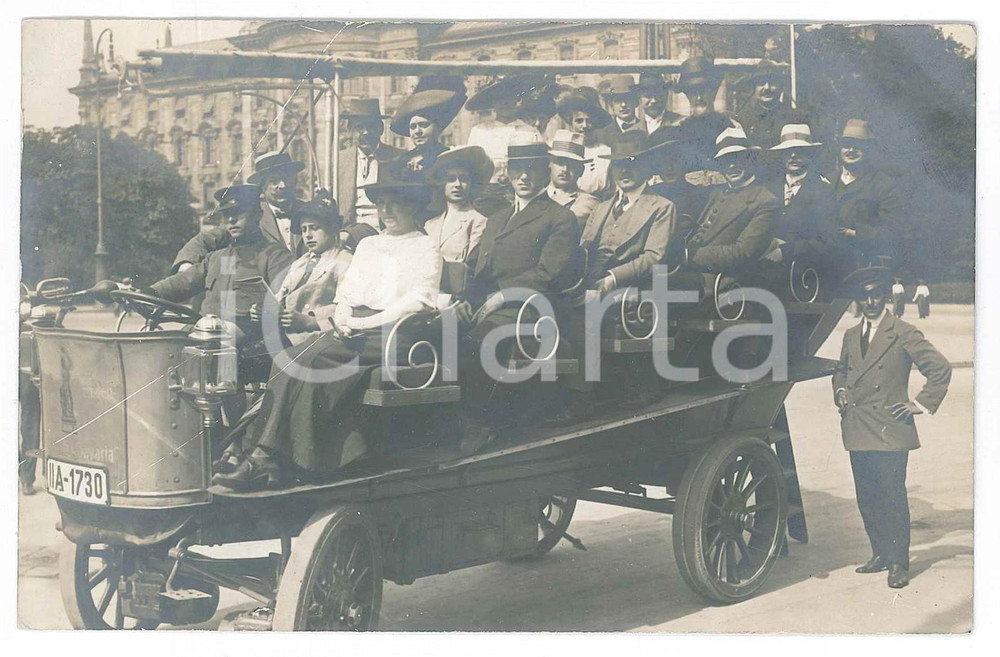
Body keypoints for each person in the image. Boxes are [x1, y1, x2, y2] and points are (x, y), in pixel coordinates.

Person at [215, 171, 442, 491]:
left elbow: (418, 302)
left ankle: (273, 459)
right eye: (382, 204)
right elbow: (346, 295)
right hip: (354, 327)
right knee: (289, 359)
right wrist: (346, 317)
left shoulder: (424, 246)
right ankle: (266, 456)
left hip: (396, 333)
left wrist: (360, 324)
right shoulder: (369, 245)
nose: (387, 211)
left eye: (396, 205)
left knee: (310, 360)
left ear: (414, 209)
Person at [452, 138, 581, 454]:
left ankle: (481, 423)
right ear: (508, 174)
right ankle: (448, 419)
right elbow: (477, 268)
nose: (525, 178)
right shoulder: (497, 218)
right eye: (518, 171)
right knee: (439, 329)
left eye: (533, 171)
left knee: (478, 340)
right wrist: (464, 300)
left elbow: (547, 275)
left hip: (535, 306)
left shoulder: (559, 217)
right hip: (493, 304)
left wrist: (502, 297)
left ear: (545, 173)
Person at [832, 266, 951, 589]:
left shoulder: (903, 331)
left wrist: (922, 403)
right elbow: (841, 371)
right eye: (863, 295)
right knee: (867, 496)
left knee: (892, 497)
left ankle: (899, 562)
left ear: (885, 295)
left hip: (889, 429)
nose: (870, 301)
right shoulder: (850, 335)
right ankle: (880, 553)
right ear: (857, 299)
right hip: (857, 427)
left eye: (875, 294)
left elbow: (939, 368)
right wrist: (840, 390)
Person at [547, 131, 678, 425]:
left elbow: (653, 257)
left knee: (583, 314)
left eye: (632, 163)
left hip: (634, 286)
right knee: (552, 305)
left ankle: (583, 397)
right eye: (619, 164)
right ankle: (555, 390)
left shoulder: (660, 206)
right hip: (594, 278)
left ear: (645, 167)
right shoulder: (603, 207)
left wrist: (611, 279)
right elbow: (584, 249)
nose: (625, 171)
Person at [143, 185, 294, 343]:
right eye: (227, 214)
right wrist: (150, 293)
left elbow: (285, 307)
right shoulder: (216, 258)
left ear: (257, 214)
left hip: (250, 343)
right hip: (206, 334)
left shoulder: (275, 256)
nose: (231, 220)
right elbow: (183, 281)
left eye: (238, 212)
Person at [172, 152, 306, 272]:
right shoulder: (252, 215)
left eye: (287, 178)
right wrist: (186, 263)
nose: (282, 185)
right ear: (262, 186)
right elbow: (206, 239)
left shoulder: (309, 211)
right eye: (274, 180)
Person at [686, 126, 777, 275]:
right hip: (690, 271)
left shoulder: (765, 200)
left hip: (721, 280)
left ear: (749, 160)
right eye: (725, 161)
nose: (732, 166)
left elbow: (743, 253)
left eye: (737, 158)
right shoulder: (715, 192)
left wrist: (688, 255)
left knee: (658, 290)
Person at [266, 200, 354, 346]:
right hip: (286, 333)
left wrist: (310, 320)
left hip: (317, 335)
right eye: (304, 229)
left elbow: (347, 306)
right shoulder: (300, 262)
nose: (308, 235)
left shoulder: (344, 261)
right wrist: (266, 309)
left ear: (332, 229)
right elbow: (283, 295)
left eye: (314, 228)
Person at [423, 145, 493, 304]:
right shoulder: (430, 225)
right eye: (451, 179)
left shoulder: (479, 222)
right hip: (428, 295)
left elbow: (469, 272)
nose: (457, 184)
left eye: (464, 178)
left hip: (457, 300)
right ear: (442, 184)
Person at [832, 119, 904, 269]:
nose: (851, 150)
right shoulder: (828, 180)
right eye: (846, 145)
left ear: (869, 150)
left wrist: (855, 233)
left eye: (858, 147)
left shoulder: (883, 184)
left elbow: (892, 232)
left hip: (864, 266)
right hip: (825, 265)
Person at [763, 123, 837, 268]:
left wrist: (787, 251)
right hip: (765, 264)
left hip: (804, 271)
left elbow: (828, 239)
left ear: (810, 154)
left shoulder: (823, 190)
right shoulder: (769, 188)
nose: (793, 155)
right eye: (788, 151)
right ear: (781, 155)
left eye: (800, 150)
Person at [336, 99, 404, 230]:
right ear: (350, 130)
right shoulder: (339, 160)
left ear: (381, 129)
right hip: (348, 230)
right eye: (360, 127)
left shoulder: (397, 158)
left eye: (371, 126)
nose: (366, 132)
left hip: (385, 230)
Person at [674, 56, 741, 184]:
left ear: (714, 92)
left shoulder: (731, 128)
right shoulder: (679, 131)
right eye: (693, 92)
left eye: (704, 90)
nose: (699, 98)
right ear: (687, 96)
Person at [390, 76, 467, 182]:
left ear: (438, 128)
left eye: (424, 125)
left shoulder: (448, 157)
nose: (417, 131)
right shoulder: (402, 161)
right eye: (413, 127)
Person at [642, 126, 711, 238]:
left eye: (674, 160)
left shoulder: (700, 196)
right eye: (662, 162)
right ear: (655, 165)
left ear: (685, 161)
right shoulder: (648, 197)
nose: (669, 168)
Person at [555, 87, 614, 199]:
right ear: (571, 122)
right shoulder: (563, 151)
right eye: (579, 121)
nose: (585, 126)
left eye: (589, 120)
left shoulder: (606, 151)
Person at [546, 130, 600, 228]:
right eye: (560, 163)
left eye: (572, 165)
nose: (565, 170)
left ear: (581, 170)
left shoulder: (589, 203)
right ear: (549, 165)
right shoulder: (536, 197)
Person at [737, 59, 793, 150]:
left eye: (772, 82)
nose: (767, 88)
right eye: (761, 83)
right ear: (754, 88)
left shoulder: (792, 117)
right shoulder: (743, 120)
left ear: (781, 87)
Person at [597, 74, 645, 144]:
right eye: (618, 100)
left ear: (636, 102)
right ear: (611, 105)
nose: (623, 105)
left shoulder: (645, 129)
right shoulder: (602, 135)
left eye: (627, 99)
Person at [636, 71, 682, 136]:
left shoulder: (680, 123)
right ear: (639, 98)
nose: (653, 101)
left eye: (658, 95)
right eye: (648, 96)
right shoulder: (633, 131)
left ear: (666, 95)